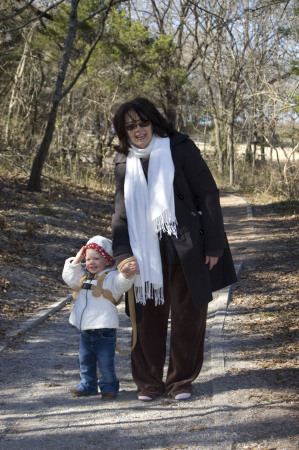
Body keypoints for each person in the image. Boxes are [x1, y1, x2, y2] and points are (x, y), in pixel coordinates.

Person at [111, 97, 237, 402]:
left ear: (154, 121)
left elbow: (207, 193)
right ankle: (149, 383)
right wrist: (123, 253)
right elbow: (120, 212)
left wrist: (215, 244)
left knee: (188, 316)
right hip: (143, 250)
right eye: (131, 126)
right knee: (145, 318)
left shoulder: (180, 147)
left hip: (187, 245)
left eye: (143, 122)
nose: (138, 129)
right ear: (123, 131)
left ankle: (181, 381)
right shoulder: (122, 160)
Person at [62, 235, 137, 400]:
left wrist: (127, 274)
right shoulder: (83, 276)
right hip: (86, 330)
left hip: (104, 329)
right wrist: (76, 260)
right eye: (88, 259)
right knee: (85, 360)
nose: (91, 262)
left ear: (108, 260)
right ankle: (87, 385)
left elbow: (121, 283)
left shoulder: (110, 277)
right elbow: (69, 278)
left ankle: (109, 387)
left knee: (105, 361)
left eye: (97, 258)